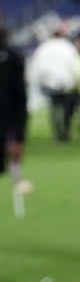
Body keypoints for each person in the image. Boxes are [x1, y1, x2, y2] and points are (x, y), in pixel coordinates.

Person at [29, 22, 80, 142]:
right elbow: (75, 66)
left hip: (49, 83)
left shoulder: (44, 47)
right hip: (66, 83)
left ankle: (58, 132)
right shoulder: (67, 47)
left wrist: (39, 80)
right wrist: (77, 79)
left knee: (54, 107)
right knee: (66, 108)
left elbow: (37, 66)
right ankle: (64, 131)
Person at [0, 18, 30, 205]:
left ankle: (16, 178)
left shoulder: (13, 56)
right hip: (10, 113)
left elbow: (20, 93)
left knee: (13, 149)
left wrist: (20, 128)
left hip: (8, 114)